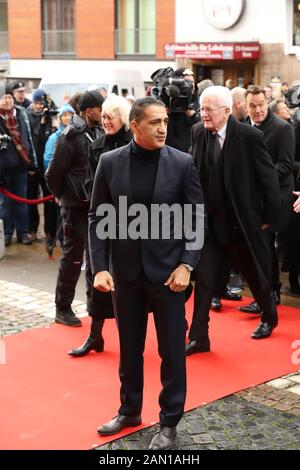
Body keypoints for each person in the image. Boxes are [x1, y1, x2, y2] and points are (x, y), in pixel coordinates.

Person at [89, 97, 204, 450]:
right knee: (130, 349)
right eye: (154, 122)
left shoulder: (182, 163)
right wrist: (101, 267)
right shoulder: (109, 162)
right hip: (126, 275)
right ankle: (130, 409)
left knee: (172, 351)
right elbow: (97, 217)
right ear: (134, 126)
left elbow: (196, 218)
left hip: (170, 275)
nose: (163, 128)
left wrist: (187, 265)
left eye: (165, 121)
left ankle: (169, 422)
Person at [186, 86, 280, 357]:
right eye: (201, 108)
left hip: (241, 224)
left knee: (254, 274)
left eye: (209, 109)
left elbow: (268, 179)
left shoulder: (250, 136)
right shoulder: (198, 132)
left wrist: (267, 218)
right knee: (204, 280)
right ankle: (199, 336)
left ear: (227, 111)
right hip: (211, 224)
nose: (203, 114)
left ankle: (268, 315)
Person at [68, 94, 131, 357]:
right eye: (102, 116)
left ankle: (165, 326)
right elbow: (90, 181)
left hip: (133, 221)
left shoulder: (133, 142)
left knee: (133, 281)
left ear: (123, 119)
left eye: (109, 116)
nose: (104, 121)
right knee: (97, 276)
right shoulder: (97, 146)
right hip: (104, 220)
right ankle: (95, 335)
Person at [46, 90, 104, 327]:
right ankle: (62, 307)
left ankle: (95, 306)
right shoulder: (70, 136)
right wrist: (62, 197)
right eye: (100, 109)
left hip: (95, 205)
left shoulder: (98, 130)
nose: (104, 113)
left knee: (96, 258)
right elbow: (53, 174)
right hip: (74, 207)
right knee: (72, 258)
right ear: (89, 111)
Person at [240, 86, 295, 314]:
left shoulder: (283, 128)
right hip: (253, 198)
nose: (257, 109)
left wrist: (259, 175)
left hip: (277, 196)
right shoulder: (243, 127)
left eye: (261, 104)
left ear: (267, 102)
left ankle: (270, 293)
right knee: (258, 246)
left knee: (264, 243)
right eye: (252, 105)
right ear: (246, 105)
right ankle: (266, 293)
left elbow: (286, 165)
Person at [0, 85, 36, 247]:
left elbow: (28, 138)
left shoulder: (21, 113)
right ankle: (7, 233)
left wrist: (32, 163)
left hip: (21, 165)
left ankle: (23, 232)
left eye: (9, 97)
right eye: (3, 97)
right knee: (5, 204)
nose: (7, 100)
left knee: (22, 201)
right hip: (3, 169)